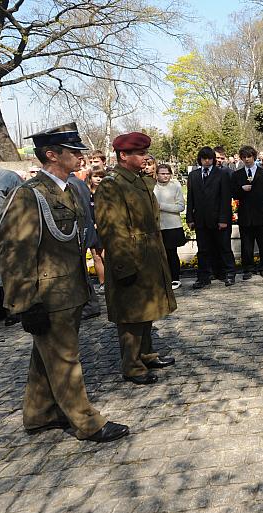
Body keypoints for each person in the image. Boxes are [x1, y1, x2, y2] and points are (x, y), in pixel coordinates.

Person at [0, 122, 128, 442]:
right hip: (47, 295)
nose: (81, 157)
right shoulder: (29, 195)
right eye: (74, 152)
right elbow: (14, 250)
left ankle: (39, 413)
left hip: (70, 291)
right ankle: (87, 422)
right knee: (66, 361)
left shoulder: (68, 189)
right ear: (52, 155)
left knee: (48, 356)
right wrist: (25, 302)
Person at [95, 132, 177, 386]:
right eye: (140, 154)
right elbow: (112, 229)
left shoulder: (139, 181)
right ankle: (132, 365)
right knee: (131, 313)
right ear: (123, 156)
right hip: (131, 256)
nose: (145, 158)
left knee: (147, 309)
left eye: (145, 153)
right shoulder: (113, 184)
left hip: (148, 255)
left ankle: (146, 354)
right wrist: (123, 266)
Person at [186, 146, 236, 288]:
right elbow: (191, 198)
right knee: (203, 250)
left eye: (209, 158)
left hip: (219, 219)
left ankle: (229, 274)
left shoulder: (221, 174)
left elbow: (226, 198)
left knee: (224, 247)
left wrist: (223, 219)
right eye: (204, 158)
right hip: (201, 220)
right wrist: (190, 218)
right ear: (200, 159)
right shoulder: (194, 175)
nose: (207, 161)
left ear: (214, 160)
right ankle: (203, 277)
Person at [232, 145, 263, 279]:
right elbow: (233, 193)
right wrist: (241, 189)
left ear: (254, 157)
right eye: (244, 157)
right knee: (246, 244)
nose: (247, 159)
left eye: (249, 156)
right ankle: (248, 268)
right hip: (245, 214)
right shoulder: (237, 174)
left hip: (260, 213)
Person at [67, 168, 100, 319]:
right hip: (85, 230)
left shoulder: (70, 184)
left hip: (79, 232)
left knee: (80, 270)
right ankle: (91, 304)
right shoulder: (79, 183)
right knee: (82, 269)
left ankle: (90, 305)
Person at [153, 164, 186, 290]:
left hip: (172, 225)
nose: (165, 176)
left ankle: (175, 278)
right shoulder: (152, 187)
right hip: (157, 226)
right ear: (157, 174)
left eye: (167, 173)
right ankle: (162, 278)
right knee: (160, 254)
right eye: (162, 173)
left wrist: (161, 206)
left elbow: (180, 206)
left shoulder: (175, 186)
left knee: (172, 253)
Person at [0, 168, 24, 325]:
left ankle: (13, 310)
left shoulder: (9, 177)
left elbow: (24, 203)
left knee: (9, 271)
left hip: (7, 235)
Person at [86, 166, 107, 294]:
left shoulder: (106, 192)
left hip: (104, 228)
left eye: (101, 176)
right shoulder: (87, 192)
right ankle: (102, 283)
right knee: (96, 257)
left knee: (105, 255)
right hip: (91, 228)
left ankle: (112, 281)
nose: (98, 179)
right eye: (96, 176)